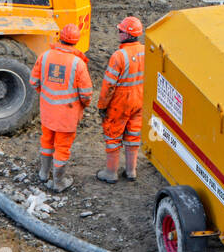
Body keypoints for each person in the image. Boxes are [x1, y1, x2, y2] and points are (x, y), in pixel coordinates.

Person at [30, 24, 92, 192]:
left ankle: (43, 173)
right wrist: (83, 106)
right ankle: (58, 182)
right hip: (67, 115)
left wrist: (46, 96)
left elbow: (34, 81)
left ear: (60, 37)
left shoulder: (45, 56)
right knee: (62, 148)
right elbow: (86, 94)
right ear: (76, 41)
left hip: (48, 112)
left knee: (47, 141)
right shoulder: (78, 64)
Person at [96, 16, 145, 184]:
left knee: (113, 138)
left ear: (126, 34)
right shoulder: (146, 51)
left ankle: (111, 173)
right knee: (133, 135)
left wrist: (102, 106)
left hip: (120, 102)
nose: (118, 33)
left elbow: (108, 86)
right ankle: (131, 171)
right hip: (140, 100)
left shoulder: (119, 56)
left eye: (120, 30)